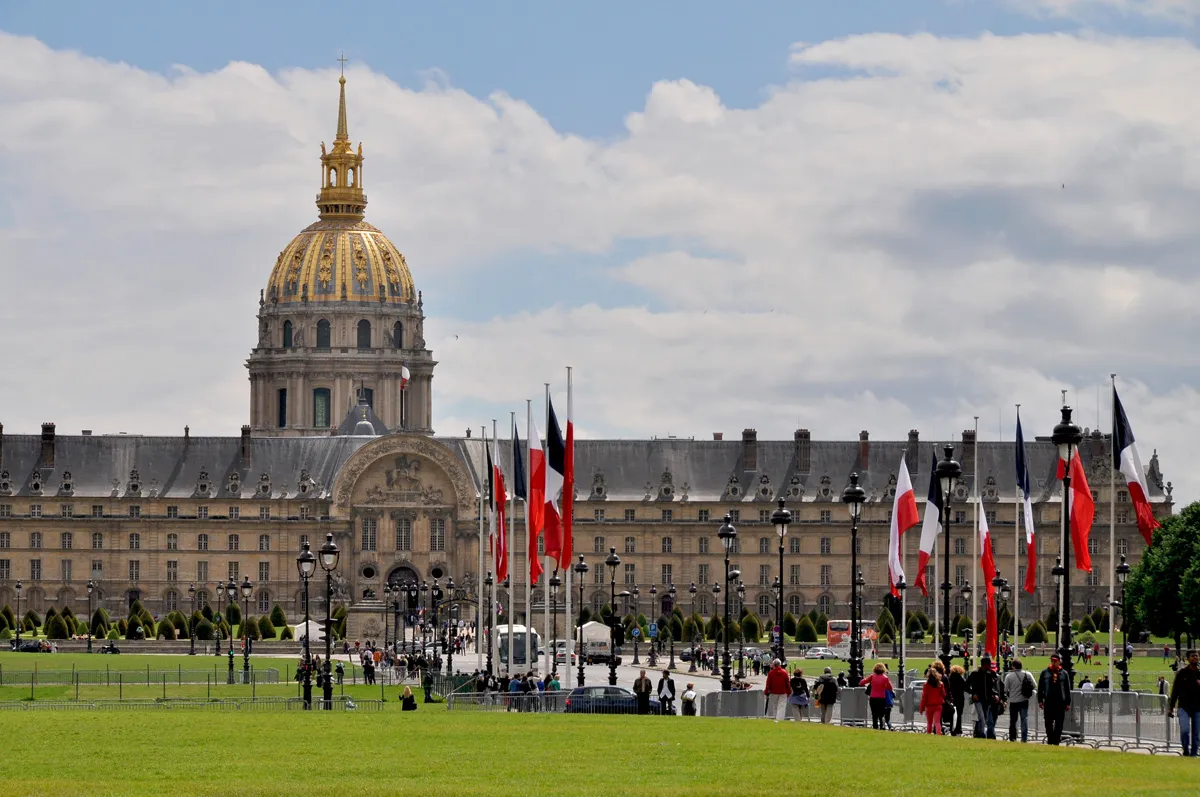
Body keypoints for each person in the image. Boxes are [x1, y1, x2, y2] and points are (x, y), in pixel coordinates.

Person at [1168, 649, 1200, 757]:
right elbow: (1175, 690)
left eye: (1196, 656)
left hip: (1197, 707)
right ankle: (1186, 750)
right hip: (1184, 706)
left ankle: (1194, 754)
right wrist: (1171, 707)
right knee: (1184, 730)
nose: (1195, 658)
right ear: (1188, 659)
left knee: (1196, 733)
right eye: (1193, 656)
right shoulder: (1182, 673)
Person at [1037, 653, 1072, 745]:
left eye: (1055, 661)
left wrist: (1068, 703)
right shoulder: (1045, 673)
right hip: (1048, 702)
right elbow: (1040, 687)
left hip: (1060, 702)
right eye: (1052, 660)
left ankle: (1056, 741)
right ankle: (1050, 740)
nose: (1053, 662)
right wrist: (1040, 700)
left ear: (1059, 662)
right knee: (1048, 723)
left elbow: (1067, 689)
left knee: (1059, 724)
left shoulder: (1064, 673)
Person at [966, 656, 1003, 739]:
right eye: (988, 664)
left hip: (988, 699)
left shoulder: (991, 674)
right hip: (978, 699)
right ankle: (981, 734)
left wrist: (996, 694)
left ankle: (979, 733)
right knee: (981, 717)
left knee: (985, 718)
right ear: (984, 665)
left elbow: (994, 687)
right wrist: (973, 693)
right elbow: (966, 685)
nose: (990, 666)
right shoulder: (975, 674)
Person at [1003, 659, 1034, 743]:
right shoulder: (1028, 674)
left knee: (1013, 720)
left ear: (1013, 666)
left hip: (1013, 701)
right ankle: (1024, 738)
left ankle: (1012, 738)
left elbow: (1005, 689)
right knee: (1024, 720)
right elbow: (1034, 685)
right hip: (1024, 700)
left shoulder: (1009, 676)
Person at [860, 663, 892, 730]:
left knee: (874, 714)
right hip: (881, 698)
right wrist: (884, 686)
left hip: (873, 697)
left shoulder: (872, 676)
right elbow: (890, 687)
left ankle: (875, 726)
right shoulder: (885, 678)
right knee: (881, 714)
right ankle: (882, 726)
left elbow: (862, 682)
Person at [919, 670, 947, 734]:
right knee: (937, 722)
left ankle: (929, 734)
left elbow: (924, 697)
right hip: (938, 705)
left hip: (929, 706)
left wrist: (921, 708)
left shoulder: (926, 685)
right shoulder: (940, 684)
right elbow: (944, 695)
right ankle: (938, 734)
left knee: (929, 722)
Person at [948, 665, 967, 736]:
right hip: (960, 698)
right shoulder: (960, 678)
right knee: (959, 714)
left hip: (952, 698)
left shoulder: (950, 678)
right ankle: (958, 728)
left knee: (952, 714)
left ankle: (952, 728)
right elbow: (965, 687)